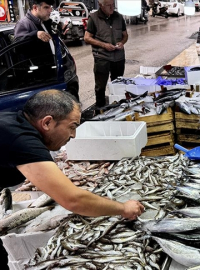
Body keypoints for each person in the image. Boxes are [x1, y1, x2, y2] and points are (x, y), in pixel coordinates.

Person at [0, 90, 145, 269]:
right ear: (47, 122)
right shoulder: (21, 140)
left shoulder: (14, 122)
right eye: (72, 126)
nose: (74, 135)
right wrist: (123, 208)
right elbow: (74, 200)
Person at [14, 0, 80, 102]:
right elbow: (17, 45)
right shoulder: (24, 24)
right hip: (39, 78)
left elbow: (54, 40)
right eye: (46, 7)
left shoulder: (45, 21)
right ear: (35, 8)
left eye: (50, 7)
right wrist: (35, 34)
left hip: (56, 72)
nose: (50, 10)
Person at [84, 0, 128, 108]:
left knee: (117, 84)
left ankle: (117, 108)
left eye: (113, 5)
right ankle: (100, 109)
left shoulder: (119, 17)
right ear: (100, 5)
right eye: (109, 5)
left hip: (118, 58)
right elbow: (87, 38)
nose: (112, 8)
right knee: (100, 87)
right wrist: (104, 45)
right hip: (102, 58)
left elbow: (125, 35)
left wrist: (122, 43)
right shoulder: (94, 18)